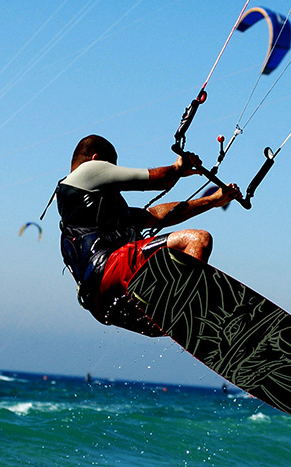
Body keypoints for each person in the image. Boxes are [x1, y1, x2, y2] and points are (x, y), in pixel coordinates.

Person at [51, 134, 242, 336]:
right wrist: (178, 168)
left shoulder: (92, 211)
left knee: (160, 327)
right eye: (111, 167)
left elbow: (157, 215)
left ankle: (177, 316)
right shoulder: (88, 169)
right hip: (110, 266)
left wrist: (212, 200)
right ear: (95, 158)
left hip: (100, 304)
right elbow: (161, 180)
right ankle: (190, 311)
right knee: (198, 240)